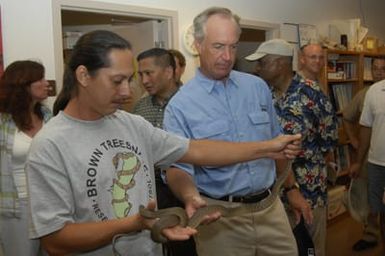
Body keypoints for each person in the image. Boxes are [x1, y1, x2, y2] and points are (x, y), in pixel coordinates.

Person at [26, 30, 303, 256]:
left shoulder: (131, 125)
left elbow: (197, 149)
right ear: (84, 76)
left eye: (130, 80)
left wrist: (267, 147)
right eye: (117, 81)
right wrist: (136, 222)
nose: (126, 92)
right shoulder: (50, 145)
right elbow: (56, 239)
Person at [163, 8, 312, 256]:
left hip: (270, 209)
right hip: (219, 218)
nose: (227, 56)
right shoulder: (181, 106)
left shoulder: (257, 87)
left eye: (233, 46)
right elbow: (177, 168)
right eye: (218, 46)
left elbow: (276, 146)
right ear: (198, 44)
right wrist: (190, 197)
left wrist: (292, 189)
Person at [246, 38, 338, 256]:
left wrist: (305, 159)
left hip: (308, 188)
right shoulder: (262, 94)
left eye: (262, 63)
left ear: (280, 64)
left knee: (310, 248)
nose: (256, 68)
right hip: (272, 192)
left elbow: (329, 139)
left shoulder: (312, 94)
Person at [133, 47, 197, 256]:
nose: (143, 80)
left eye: (148, 73)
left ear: (169, 72)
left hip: (189, 184)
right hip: (154, 186)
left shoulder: (193, 103)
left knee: (189, 244)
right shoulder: (140, 107)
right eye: (140, 74)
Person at [0, 60, 51, 255]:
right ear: (22, 84)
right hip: (16, 206)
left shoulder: (48, 116)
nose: (47, 83)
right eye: (40, 78)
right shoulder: (3, 121)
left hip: (49, 202)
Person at [343, 56, 385, 251]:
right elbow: (348, 118)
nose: (379, 72)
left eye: (383, 68)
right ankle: (371, 235)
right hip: (370, 157)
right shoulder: (366, 94)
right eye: (375, 68)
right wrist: (353, 140)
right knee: (371, 200)